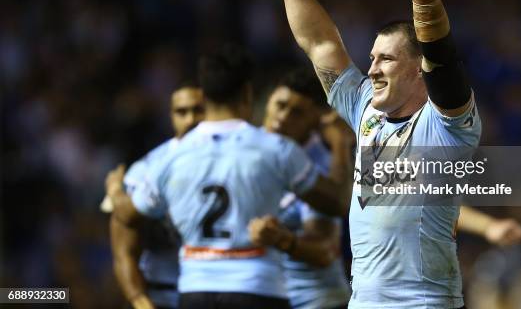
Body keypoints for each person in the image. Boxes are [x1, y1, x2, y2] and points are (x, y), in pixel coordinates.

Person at [261, 0, 480, 308]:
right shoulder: (366, 110)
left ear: (418, 71)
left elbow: (441, 55)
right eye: (373, 58)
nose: (373, 69)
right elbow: (320, 43)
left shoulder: (447, 126)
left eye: (388, 59)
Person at [106, 44, 353, 309]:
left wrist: (116, 190)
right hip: (257, 287)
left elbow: (127, 215)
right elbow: (338, 202)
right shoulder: (275, 151)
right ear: (249, 94)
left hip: (195, 289)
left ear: (206, 96)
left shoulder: (172, 155)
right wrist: (342, 143)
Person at [249, 69, 351, 309]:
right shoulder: (248, 150)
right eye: (280, 105)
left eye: (297, 113)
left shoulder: (321, 170)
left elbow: (325, 251)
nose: (282, 117)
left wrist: (283, 240)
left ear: (315, 121)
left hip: (315, 301)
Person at [103, 84, 205, 309]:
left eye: (198, 110)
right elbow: (123, 252)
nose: (190, 119)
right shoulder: (144, 172)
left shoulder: (235, 161)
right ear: (171, 116)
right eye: (182, 112)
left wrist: (115, 192)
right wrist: (141, 303)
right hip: (162, 295)